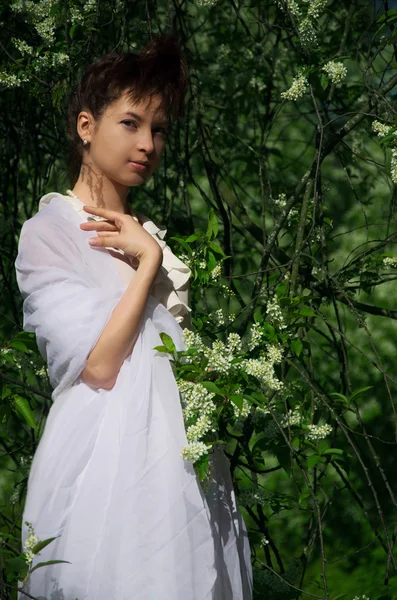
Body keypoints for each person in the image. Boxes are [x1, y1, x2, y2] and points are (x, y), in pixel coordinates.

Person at [14, 34, 253, 600]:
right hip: (101, 468)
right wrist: (146, 262)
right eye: (130, 123)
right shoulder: (50, 232)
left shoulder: (150, 240)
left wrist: (149, 252)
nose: (148, 143)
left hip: (178, 469)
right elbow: (97, 366)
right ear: (86, 126)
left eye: (159, 128)